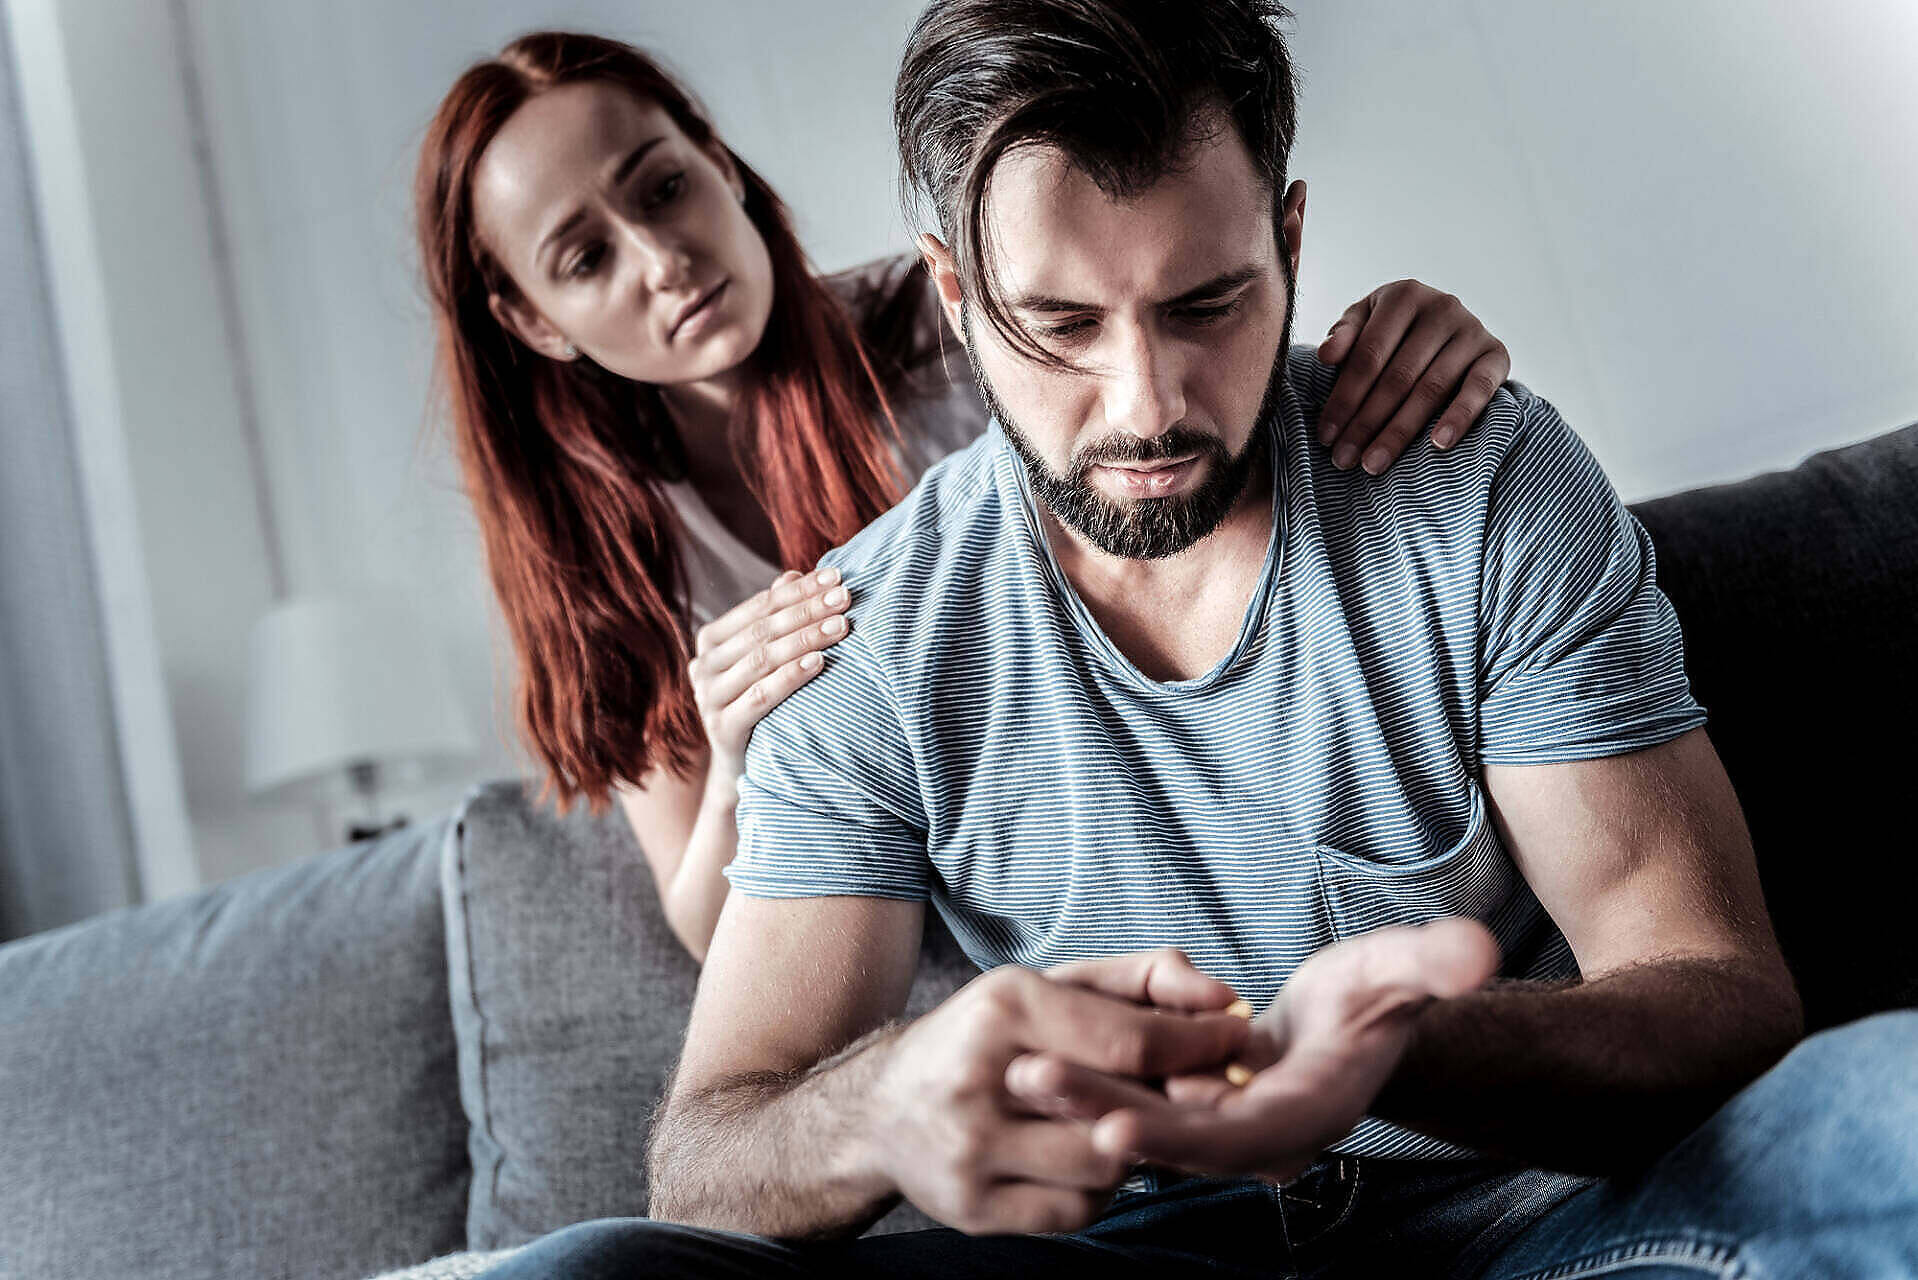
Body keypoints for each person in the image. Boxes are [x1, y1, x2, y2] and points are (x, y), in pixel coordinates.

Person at [475, 1, 1918, 1276]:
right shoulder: (860, 642)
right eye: (1057, 324)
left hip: (1533, 1216)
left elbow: (1721, 995)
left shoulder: (1474, 478)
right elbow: (706, 1164)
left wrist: (1389, 1056)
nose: (1145, 401)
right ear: (957, 302)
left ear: (1288, 240)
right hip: (1140, 1245)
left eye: (1206, 301)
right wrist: (889, 1097)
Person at [416, 30, 1518, 961]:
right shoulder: (603, 561)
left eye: (664, 187)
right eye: (583, 257)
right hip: (956, 974)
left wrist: (1395, 346)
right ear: (532, 322)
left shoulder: (965, 317)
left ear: (719, 161)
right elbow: (713, 928)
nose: (662, 258)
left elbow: (1209, 361)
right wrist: (741, 759)